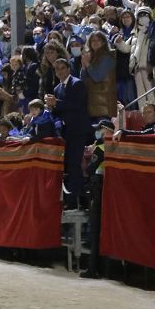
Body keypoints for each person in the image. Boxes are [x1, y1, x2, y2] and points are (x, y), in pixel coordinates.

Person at [44, 57, 90, 209]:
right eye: (57, 69)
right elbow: (59, 111)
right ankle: (82, 198)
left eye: (63, 68)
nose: (60, 71)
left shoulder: (77, 83)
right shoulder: (57, 89)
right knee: (70, 165)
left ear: (68, 69)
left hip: (78, 130)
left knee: (74, 163)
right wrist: (51, 107)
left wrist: (56, 103)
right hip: (65, 132)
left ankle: (73, 200)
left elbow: (78, 105)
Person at [81, 119, 115, 279]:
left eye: (100, 130)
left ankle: (92, 268)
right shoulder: (115, 147)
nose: (97, 133)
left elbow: (90, 169)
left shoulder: (100, 149)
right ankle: (106, 269)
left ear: (106, 131)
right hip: (108, 189)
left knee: (95, 231)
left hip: (98, 188)